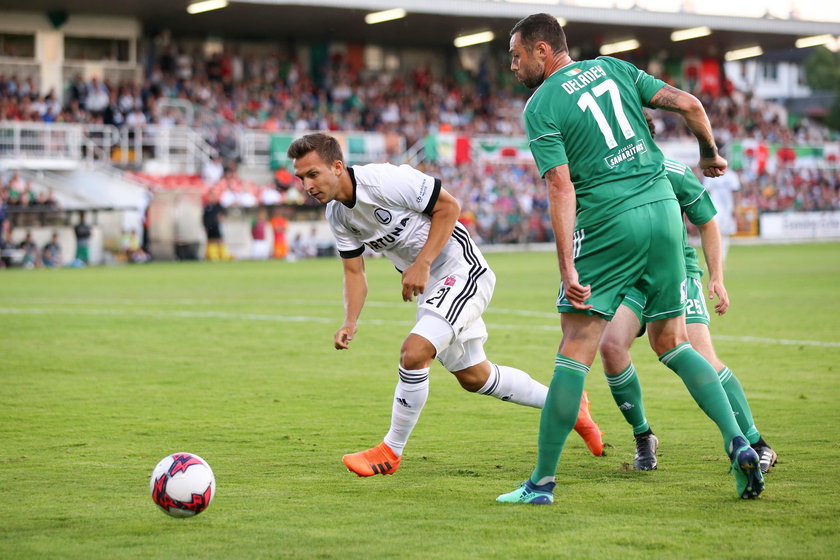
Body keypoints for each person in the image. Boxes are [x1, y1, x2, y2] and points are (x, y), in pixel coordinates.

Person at [497, 13, 763, 505]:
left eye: (516, 56)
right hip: (663, 211)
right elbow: (690, 104)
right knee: (673, 342)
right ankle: (740, 444)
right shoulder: (614, 69)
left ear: (541, 50)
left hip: (609, 219)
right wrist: (709, 153)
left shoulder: (541, 105)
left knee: (576, 343)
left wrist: (566, 267)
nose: (512, 67)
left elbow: (560, 185)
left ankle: (541, 483)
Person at [287, 133, 604, 478]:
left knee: (414, 352)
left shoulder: (384, 180)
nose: (307, 185)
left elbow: (449, 207)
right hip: (432, 285)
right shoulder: (338, 216)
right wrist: (350, 321)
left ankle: (390, 451)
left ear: (336, 166)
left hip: (462, 268)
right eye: (301, 178)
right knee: (474, 377)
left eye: (313, 174)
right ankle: (570, 406)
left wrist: (421, 263)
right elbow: (354, 270)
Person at [598, 113, 776, 473]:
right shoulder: (607, 173)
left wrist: (716, 277)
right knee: (611, 346)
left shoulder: (671, 171)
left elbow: (708, 223)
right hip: (631, 279)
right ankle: (643, 435)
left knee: (701, 354)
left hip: (676, 273)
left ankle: (755, 441)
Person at [701, 160, 740, 263]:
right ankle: (712, 259)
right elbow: (706, 193)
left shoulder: (732, 176)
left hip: (728, 208)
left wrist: (735, 208)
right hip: (714, 208)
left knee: (725, 234)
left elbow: (735, 193)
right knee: (713, 232)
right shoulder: (709, 175)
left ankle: (721, 259)